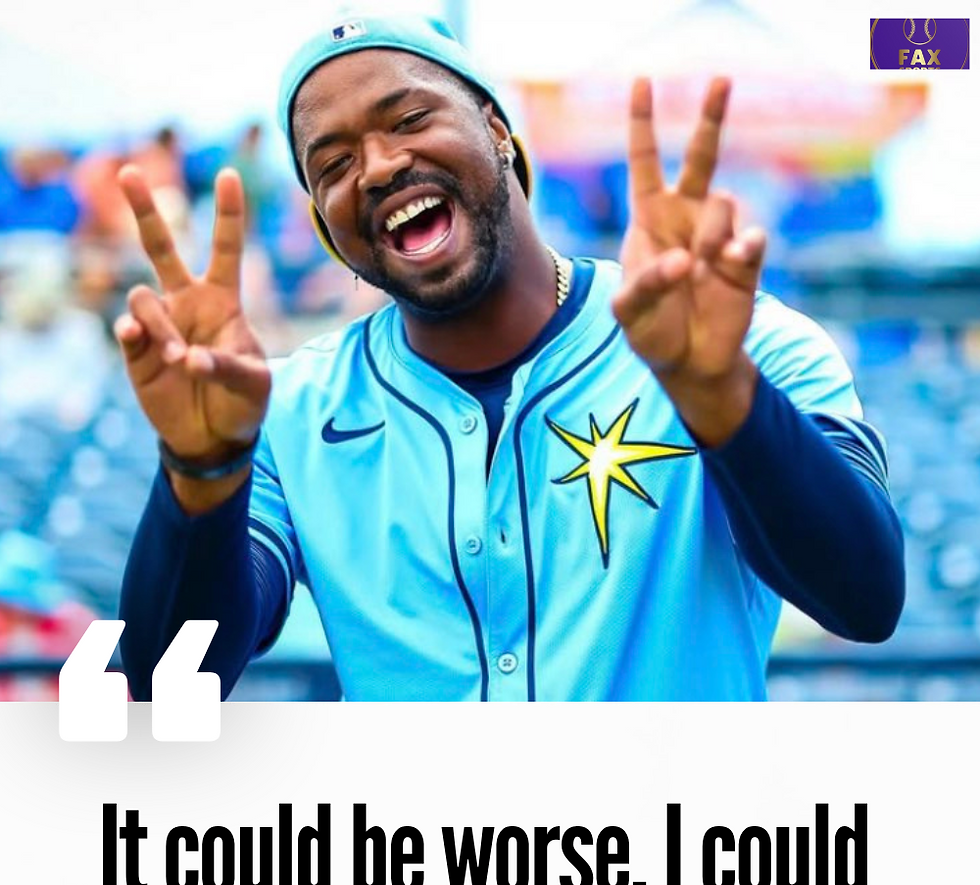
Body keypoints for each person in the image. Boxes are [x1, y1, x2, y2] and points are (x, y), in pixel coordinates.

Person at [116, 11, 903, 702]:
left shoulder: (744, 341)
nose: (381, 165)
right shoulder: (289, 412)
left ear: (497, 130)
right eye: (333, 165)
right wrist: (201, 472)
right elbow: (169, 682)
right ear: (329, 231)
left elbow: (865, 598)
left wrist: (721, 392)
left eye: (411, 117)